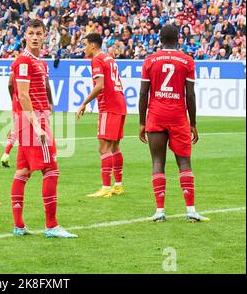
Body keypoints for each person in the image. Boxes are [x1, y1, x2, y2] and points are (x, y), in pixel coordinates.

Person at [10, 19, 77, 238]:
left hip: (32, 120)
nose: (35, 37)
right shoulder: (23, 61)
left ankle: (19, 226)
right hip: (33, 122)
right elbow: (21, 93)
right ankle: (51, 226)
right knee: (51, 170)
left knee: (22, 172)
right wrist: (37, 124)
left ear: (45, 35)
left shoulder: (41, 62)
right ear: (25, 36)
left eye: (39, 33)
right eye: (31, 33)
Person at [138, 24, 210, 223]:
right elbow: (190, 94)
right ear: (179, 38)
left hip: (156, 114)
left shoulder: (150, 60)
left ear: (160, 39)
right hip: (178, 116)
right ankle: (191, 209)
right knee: (184, 162)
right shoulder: (187, 61)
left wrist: (142, 122)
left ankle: (160, 211)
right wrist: (193, 123)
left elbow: (144, 93)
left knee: (158, 161)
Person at [77, 33, 127, 198]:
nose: (83, 48)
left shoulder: (96, 60)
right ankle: (118, 185)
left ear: (92, 45)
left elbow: (100, 85)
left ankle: (106, 187)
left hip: (109, 106)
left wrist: (84, 103)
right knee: (115, 147)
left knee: (103, 148)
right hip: (120, 104)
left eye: (85, 45)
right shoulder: (109, 58)